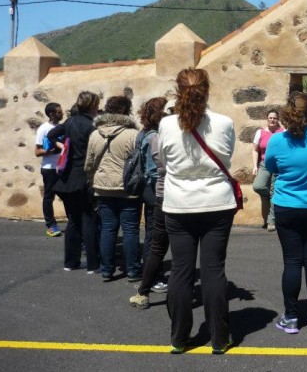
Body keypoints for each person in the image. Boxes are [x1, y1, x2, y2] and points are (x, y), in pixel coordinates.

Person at [159, 68, 237, 354]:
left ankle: (179, 338)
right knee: (214, 270)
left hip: (179, 204)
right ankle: (219, 338)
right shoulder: (225, 122)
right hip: (217, 202)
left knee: (181, 270)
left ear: (177, 91)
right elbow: (227, 157)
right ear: (208, 89)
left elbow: (164, 163)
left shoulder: (166, 125)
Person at [265, 92, 307, 334]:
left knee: (292, 262)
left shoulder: (276, 141)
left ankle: (291, 317)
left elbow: (271, 166)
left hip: (287, 206)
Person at [85, 95, 141, 282]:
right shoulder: (133, 135)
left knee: (108, 229)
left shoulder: (95, 134)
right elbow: (138, 163)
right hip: (128, 188)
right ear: (126, 111)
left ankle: (107, 269)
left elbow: (89, 164)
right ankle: (133, 270)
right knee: (130, 230)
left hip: (102, 187)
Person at [47, 92, 100, 273]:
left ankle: (70, 262)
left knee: (73, 221)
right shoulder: (91, 126)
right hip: (84, 177)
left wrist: (63, 146)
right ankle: (93, 264)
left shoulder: (69, 122)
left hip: (67, 178)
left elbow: (52, 133)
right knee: (89, 220)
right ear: (93, 106)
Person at [130, 97, 170, 309]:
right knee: (155, 237)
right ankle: (154, 278)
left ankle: (151, 274)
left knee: (152, 234)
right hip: (155, 188)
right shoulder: (155, 136)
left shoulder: (142, 132)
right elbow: (156, 169)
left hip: (146, 187)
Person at [34, 102, 65, 237]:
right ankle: (51, 225)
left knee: (68, 196)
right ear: (51, 114)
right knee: (49, 197)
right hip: (49, 168)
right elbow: (37, 151)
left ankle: (75, 223)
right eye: (59, 111)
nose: (62, 113)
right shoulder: (43, 129)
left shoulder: (64, 127)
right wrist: (51, 152)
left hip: (63, 167)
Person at [252, 109, 285, 231]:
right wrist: (255, 166)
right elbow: (255, 150)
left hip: (278, 166)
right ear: (267, 119)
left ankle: (271, 221)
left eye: (275, 118)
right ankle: (271, 197)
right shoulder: (260, 132)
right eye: (270, 118)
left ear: (278, 119)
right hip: (264, 164)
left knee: (274, 191)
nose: (272, 120)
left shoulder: (283, 132)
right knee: (258, 186)